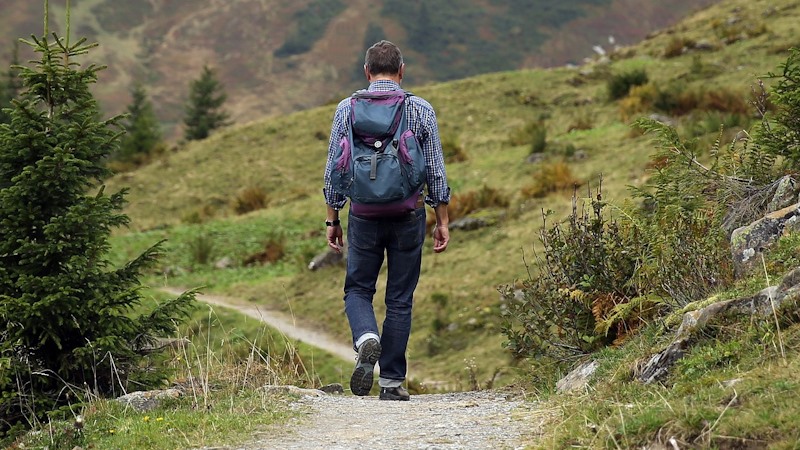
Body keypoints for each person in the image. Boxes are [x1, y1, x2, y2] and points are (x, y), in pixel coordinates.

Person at [322, 40, 451, 401]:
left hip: (362, 214)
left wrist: (333, 218)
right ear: (401, 70)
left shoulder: (346, 109)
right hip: (408, 213)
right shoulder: (420, 109)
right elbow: (436, 171)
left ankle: (366, 338)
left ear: (366, 72)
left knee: (358, 289)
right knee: (400, 298)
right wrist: (441, 219)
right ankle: (392, 383)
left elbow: (334, 168)